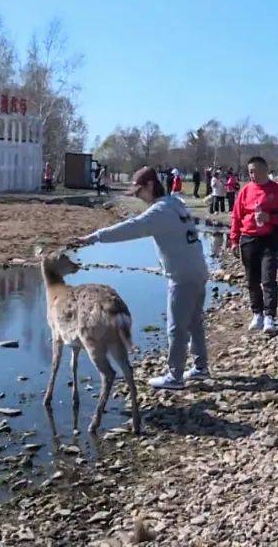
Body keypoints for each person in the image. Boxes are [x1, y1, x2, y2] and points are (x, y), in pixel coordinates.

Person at [73, 167, 210, 390]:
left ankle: (175, 376)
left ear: (149, 186)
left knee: (176, 328)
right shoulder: (175, 203)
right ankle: (200, 367)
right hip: (197, 270)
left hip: (182, 276)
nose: (137, 196)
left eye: (139, 192)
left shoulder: (160, 211)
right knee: (194, 322)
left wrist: (95, 237)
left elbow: (131, 228)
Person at [230, 157, 278, 333]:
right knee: (252, 280)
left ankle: (270, 316)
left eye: (256, 171)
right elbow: (236, 216)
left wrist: (271, 218)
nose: (253, 175)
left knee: (268, 279)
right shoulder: (245, 191)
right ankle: (257, 313)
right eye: (250, 171)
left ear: (266, 170)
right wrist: (234, 240)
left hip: (270, 239)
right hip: (248, 239)